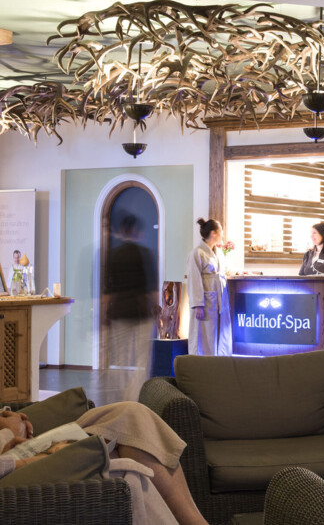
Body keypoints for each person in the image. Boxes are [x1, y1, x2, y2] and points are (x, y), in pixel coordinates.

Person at [0, 402, 208, 524]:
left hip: (9, 452)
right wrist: (16, 439)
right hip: (10, 471)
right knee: (123, 457)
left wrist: (6, 419)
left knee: (128, 415)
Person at [103, 214, 158, 401]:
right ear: (135, 230)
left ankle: (121, 398)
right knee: (143, 359)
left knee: (120, 358)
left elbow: (107, 289)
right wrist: (157, 309)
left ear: (122, 231)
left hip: (118, 311)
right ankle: (135, 397)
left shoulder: (113, 254)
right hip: (140, 312)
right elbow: (151, 288)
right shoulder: (144, 253)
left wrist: (104, 312)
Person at [186, 218, 232, 356]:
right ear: (213, 233)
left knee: (218, 333)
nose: (222, 235)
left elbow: (221, 271)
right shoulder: (197, 253)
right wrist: (198, 304)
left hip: (218, 299)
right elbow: (194, 278)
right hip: (205, 301)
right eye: (220, 232)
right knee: (204, 335)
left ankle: (219, 361)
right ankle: (202, 365)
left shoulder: (216, 252)